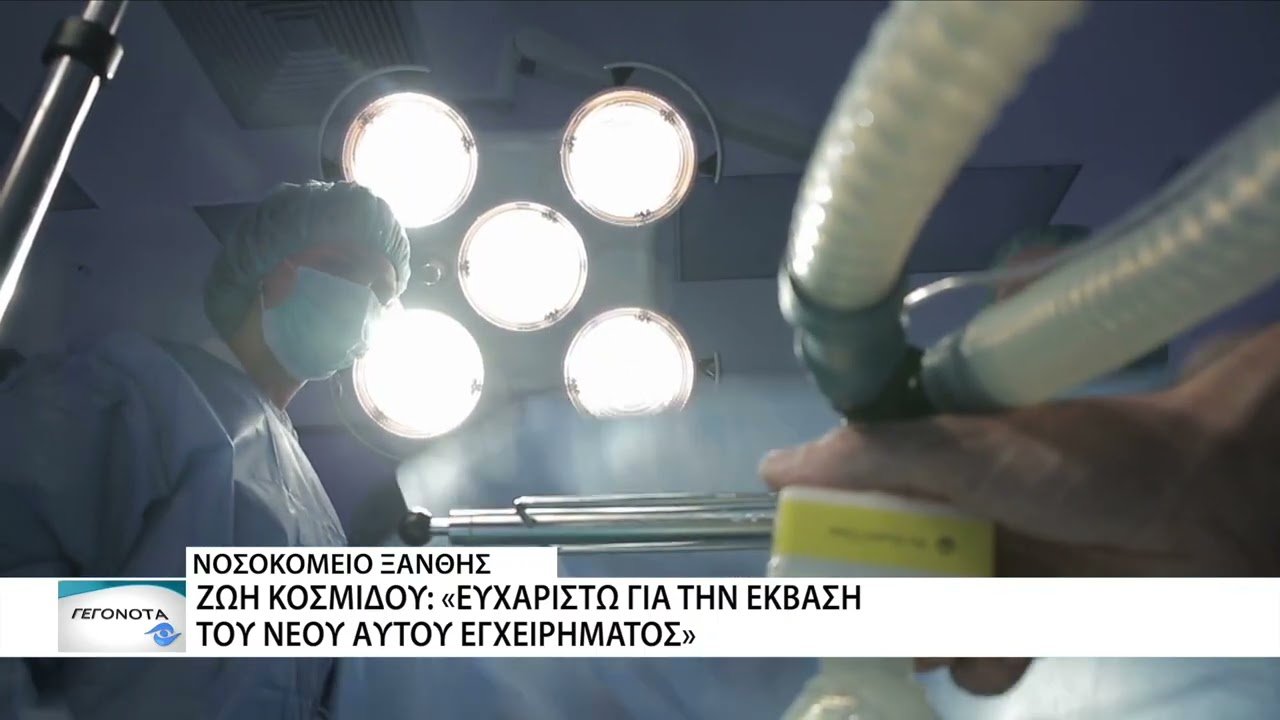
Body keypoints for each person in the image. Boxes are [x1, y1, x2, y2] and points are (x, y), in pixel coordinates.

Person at [760, 225, 1280, 701]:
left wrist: (1201, 468)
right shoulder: (984, 432)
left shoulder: (1196, 397)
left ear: (1125, 289)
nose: (1040, 320)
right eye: (1017, 301)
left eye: (1061, 294)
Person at [0, 180, 410, 719]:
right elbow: (16, 609)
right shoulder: (135, 390)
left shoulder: (315, 508)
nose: (362, 301)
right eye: (341, 267)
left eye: (382, 292)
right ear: (267, 268)